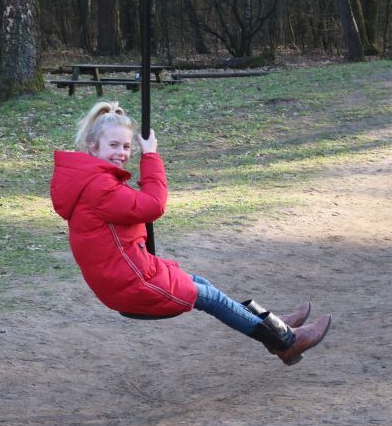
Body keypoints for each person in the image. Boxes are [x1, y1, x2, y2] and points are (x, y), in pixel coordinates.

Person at [50, 101, 331, 365]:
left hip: (130, 273)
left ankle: (271, 327)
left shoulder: (92, 180)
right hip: (132, 282)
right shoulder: (99, 187)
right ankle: (286, 342)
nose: (121, 153)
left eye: (126, 146)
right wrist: (150, 156)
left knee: (203, 284)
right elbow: (153, 205)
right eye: (113, 145)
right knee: (212, 299)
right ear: (92, 146)